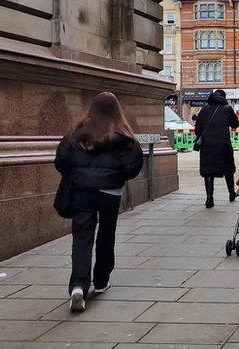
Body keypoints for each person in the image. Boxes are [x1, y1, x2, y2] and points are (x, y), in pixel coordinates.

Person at [55, 92, 143, 312]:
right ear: (116, 110)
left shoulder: (77, 133)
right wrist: (117, 176)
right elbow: (133, 166)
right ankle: (101, 281)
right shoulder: (123, 135)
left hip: (81, 190)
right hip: (109, 193)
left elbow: (61, 161)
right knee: (106, 235)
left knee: (81, 237)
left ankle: (78, 286)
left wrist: (77, 174)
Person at [196, 89, 239, 208]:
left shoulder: (204, 109)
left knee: (208, 171)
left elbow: (198, 127)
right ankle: (231, 193)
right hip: (223, 144)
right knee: (228, 170)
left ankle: (209, 198)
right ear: (223, 97)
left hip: (207, 145)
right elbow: (235, 124)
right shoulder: (227, 109)